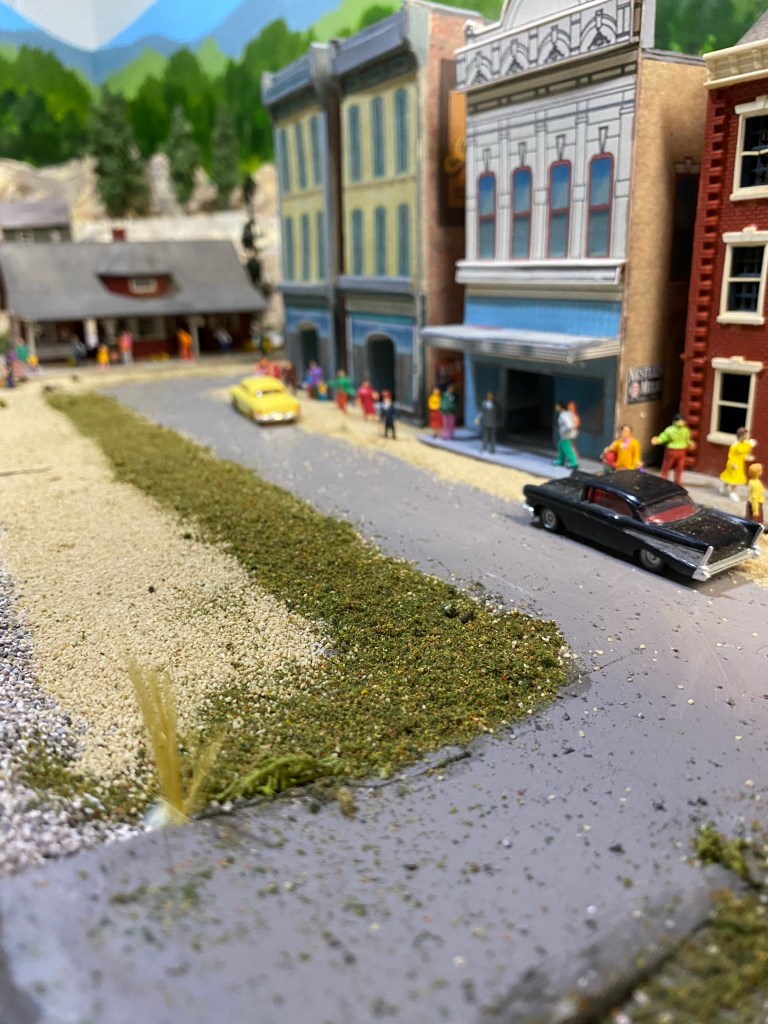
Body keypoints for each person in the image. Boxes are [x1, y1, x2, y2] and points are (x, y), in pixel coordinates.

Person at [651, 413, 693, 486]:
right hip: (672, 450)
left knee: (680, 466)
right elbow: (663, 437)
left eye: (682, 420)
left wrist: (690, 443)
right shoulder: (669, 430)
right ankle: (664, 478)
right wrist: (657, 440)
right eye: (678, 420)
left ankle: (678, 480)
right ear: (674, 421)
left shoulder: (685, 430)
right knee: (667, 465)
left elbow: (687, 439)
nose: (680, 422)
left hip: (682, 451)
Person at [719, 426, 756, 502]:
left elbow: (745, 452)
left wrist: (747, 457)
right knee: (733, 478)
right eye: (746, 434)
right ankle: (733, 492)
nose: (747, 436)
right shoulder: (735, 445)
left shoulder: (745, 443)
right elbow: (730, 456)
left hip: (740, 463)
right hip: (733, 463)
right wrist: (732, 464)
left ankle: (724, 488)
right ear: (741, 435)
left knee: (731, 477)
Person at [553, 400, 579, 469]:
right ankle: (560, 460)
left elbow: (569, 425)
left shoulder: (563, 415)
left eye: (557, 406)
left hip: (566, 435)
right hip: (567, 435)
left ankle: (574, 462)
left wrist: (562, 430)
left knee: (567, 448)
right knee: (560, 446)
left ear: (560, 407)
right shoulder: (567, 413)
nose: (556, 407)